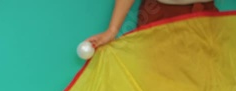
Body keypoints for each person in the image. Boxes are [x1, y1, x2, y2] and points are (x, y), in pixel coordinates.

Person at [87, 0, 219, 48]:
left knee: (203, 83)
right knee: (158, 85)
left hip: (203, 16)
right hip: (158, 15)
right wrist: (112, 30)